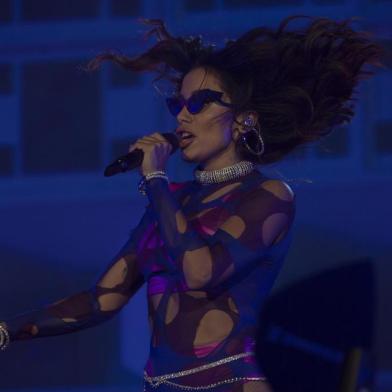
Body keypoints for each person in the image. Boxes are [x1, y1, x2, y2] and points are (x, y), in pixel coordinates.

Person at [0, 15, 384, 391]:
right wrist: (6, 330)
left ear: (243, 120)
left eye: (200, 103)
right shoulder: (170, 202)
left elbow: (201, 272)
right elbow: (102, 299)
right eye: (177, 105)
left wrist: (155, 180)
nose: (182, 116)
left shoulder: (268, 197)